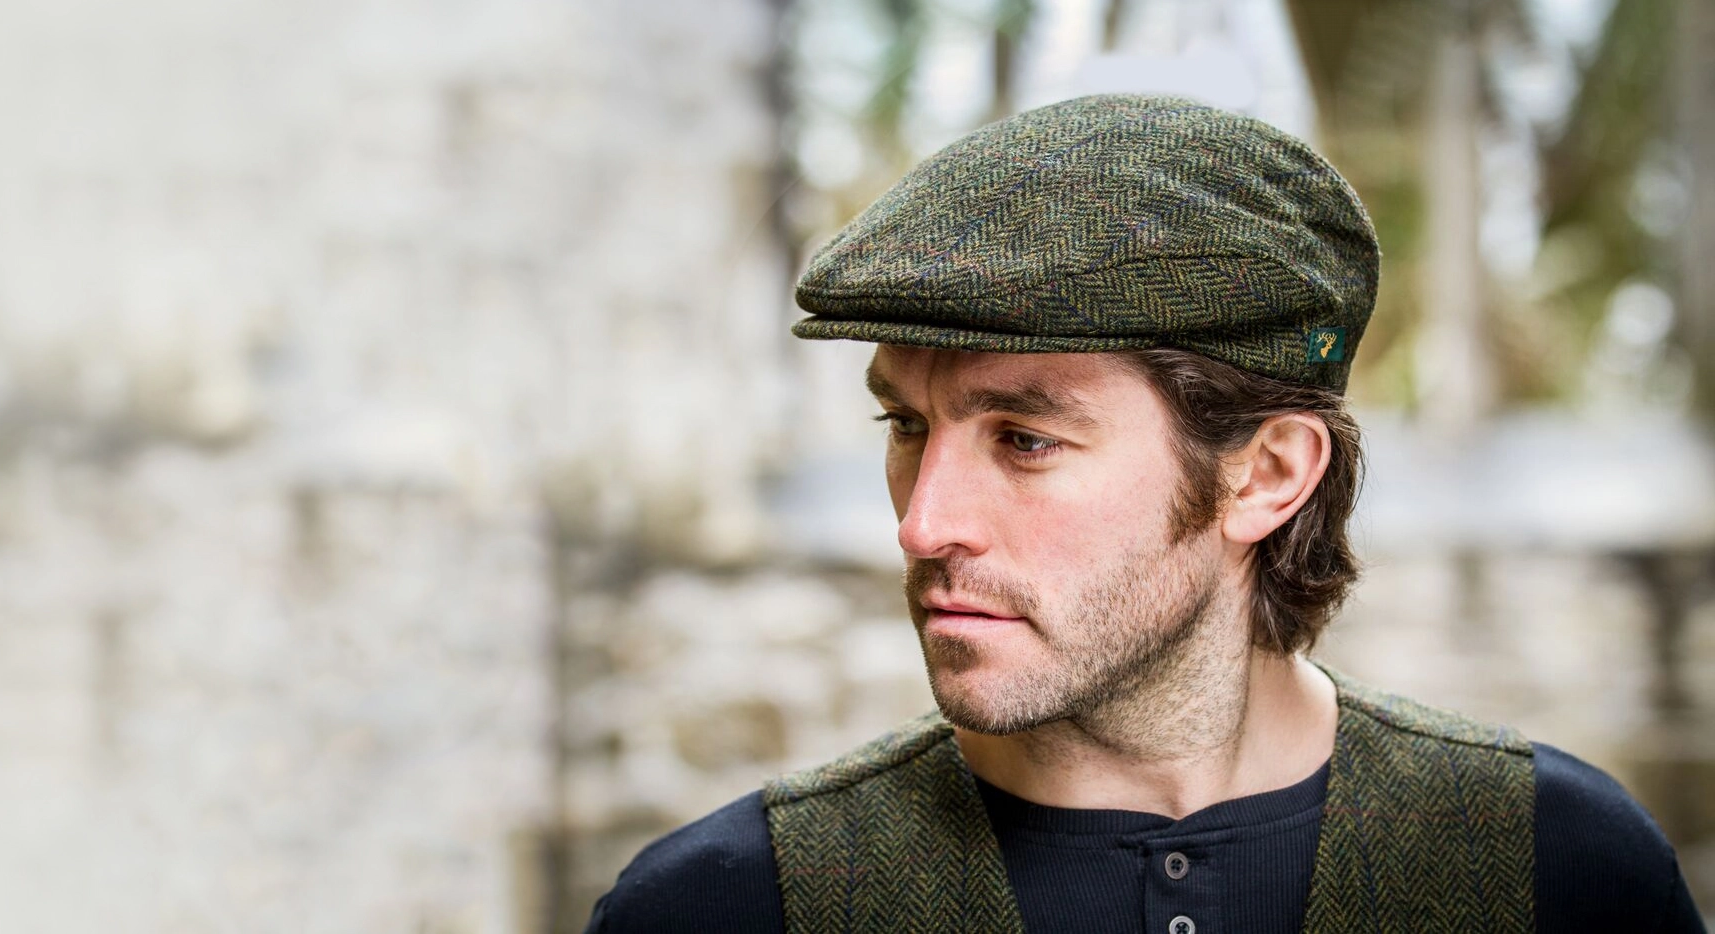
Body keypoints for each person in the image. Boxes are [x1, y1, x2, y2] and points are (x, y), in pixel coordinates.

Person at [583, 94, 1706, 933]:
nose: (923, 526)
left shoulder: (1558, 870)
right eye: (907, 426)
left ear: (1265, 475)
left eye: (1025, 439)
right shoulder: (724, 907)